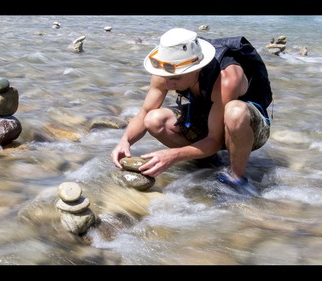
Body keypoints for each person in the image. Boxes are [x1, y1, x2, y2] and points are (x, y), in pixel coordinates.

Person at [111, 27, 273, 196]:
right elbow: (145, 112)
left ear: (196, 68)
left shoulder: (227, 77)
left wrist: (174, 155)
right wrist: (125, 141)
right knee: (154, 120)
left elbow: (215, 140)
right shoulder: (165, 71)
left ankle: (236, 179)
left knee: (235, 112)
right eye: (166, 78)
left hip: (248, 127)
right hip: (207, 115)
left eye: (175, 78)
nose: (168, 84)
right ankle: (205, 160)